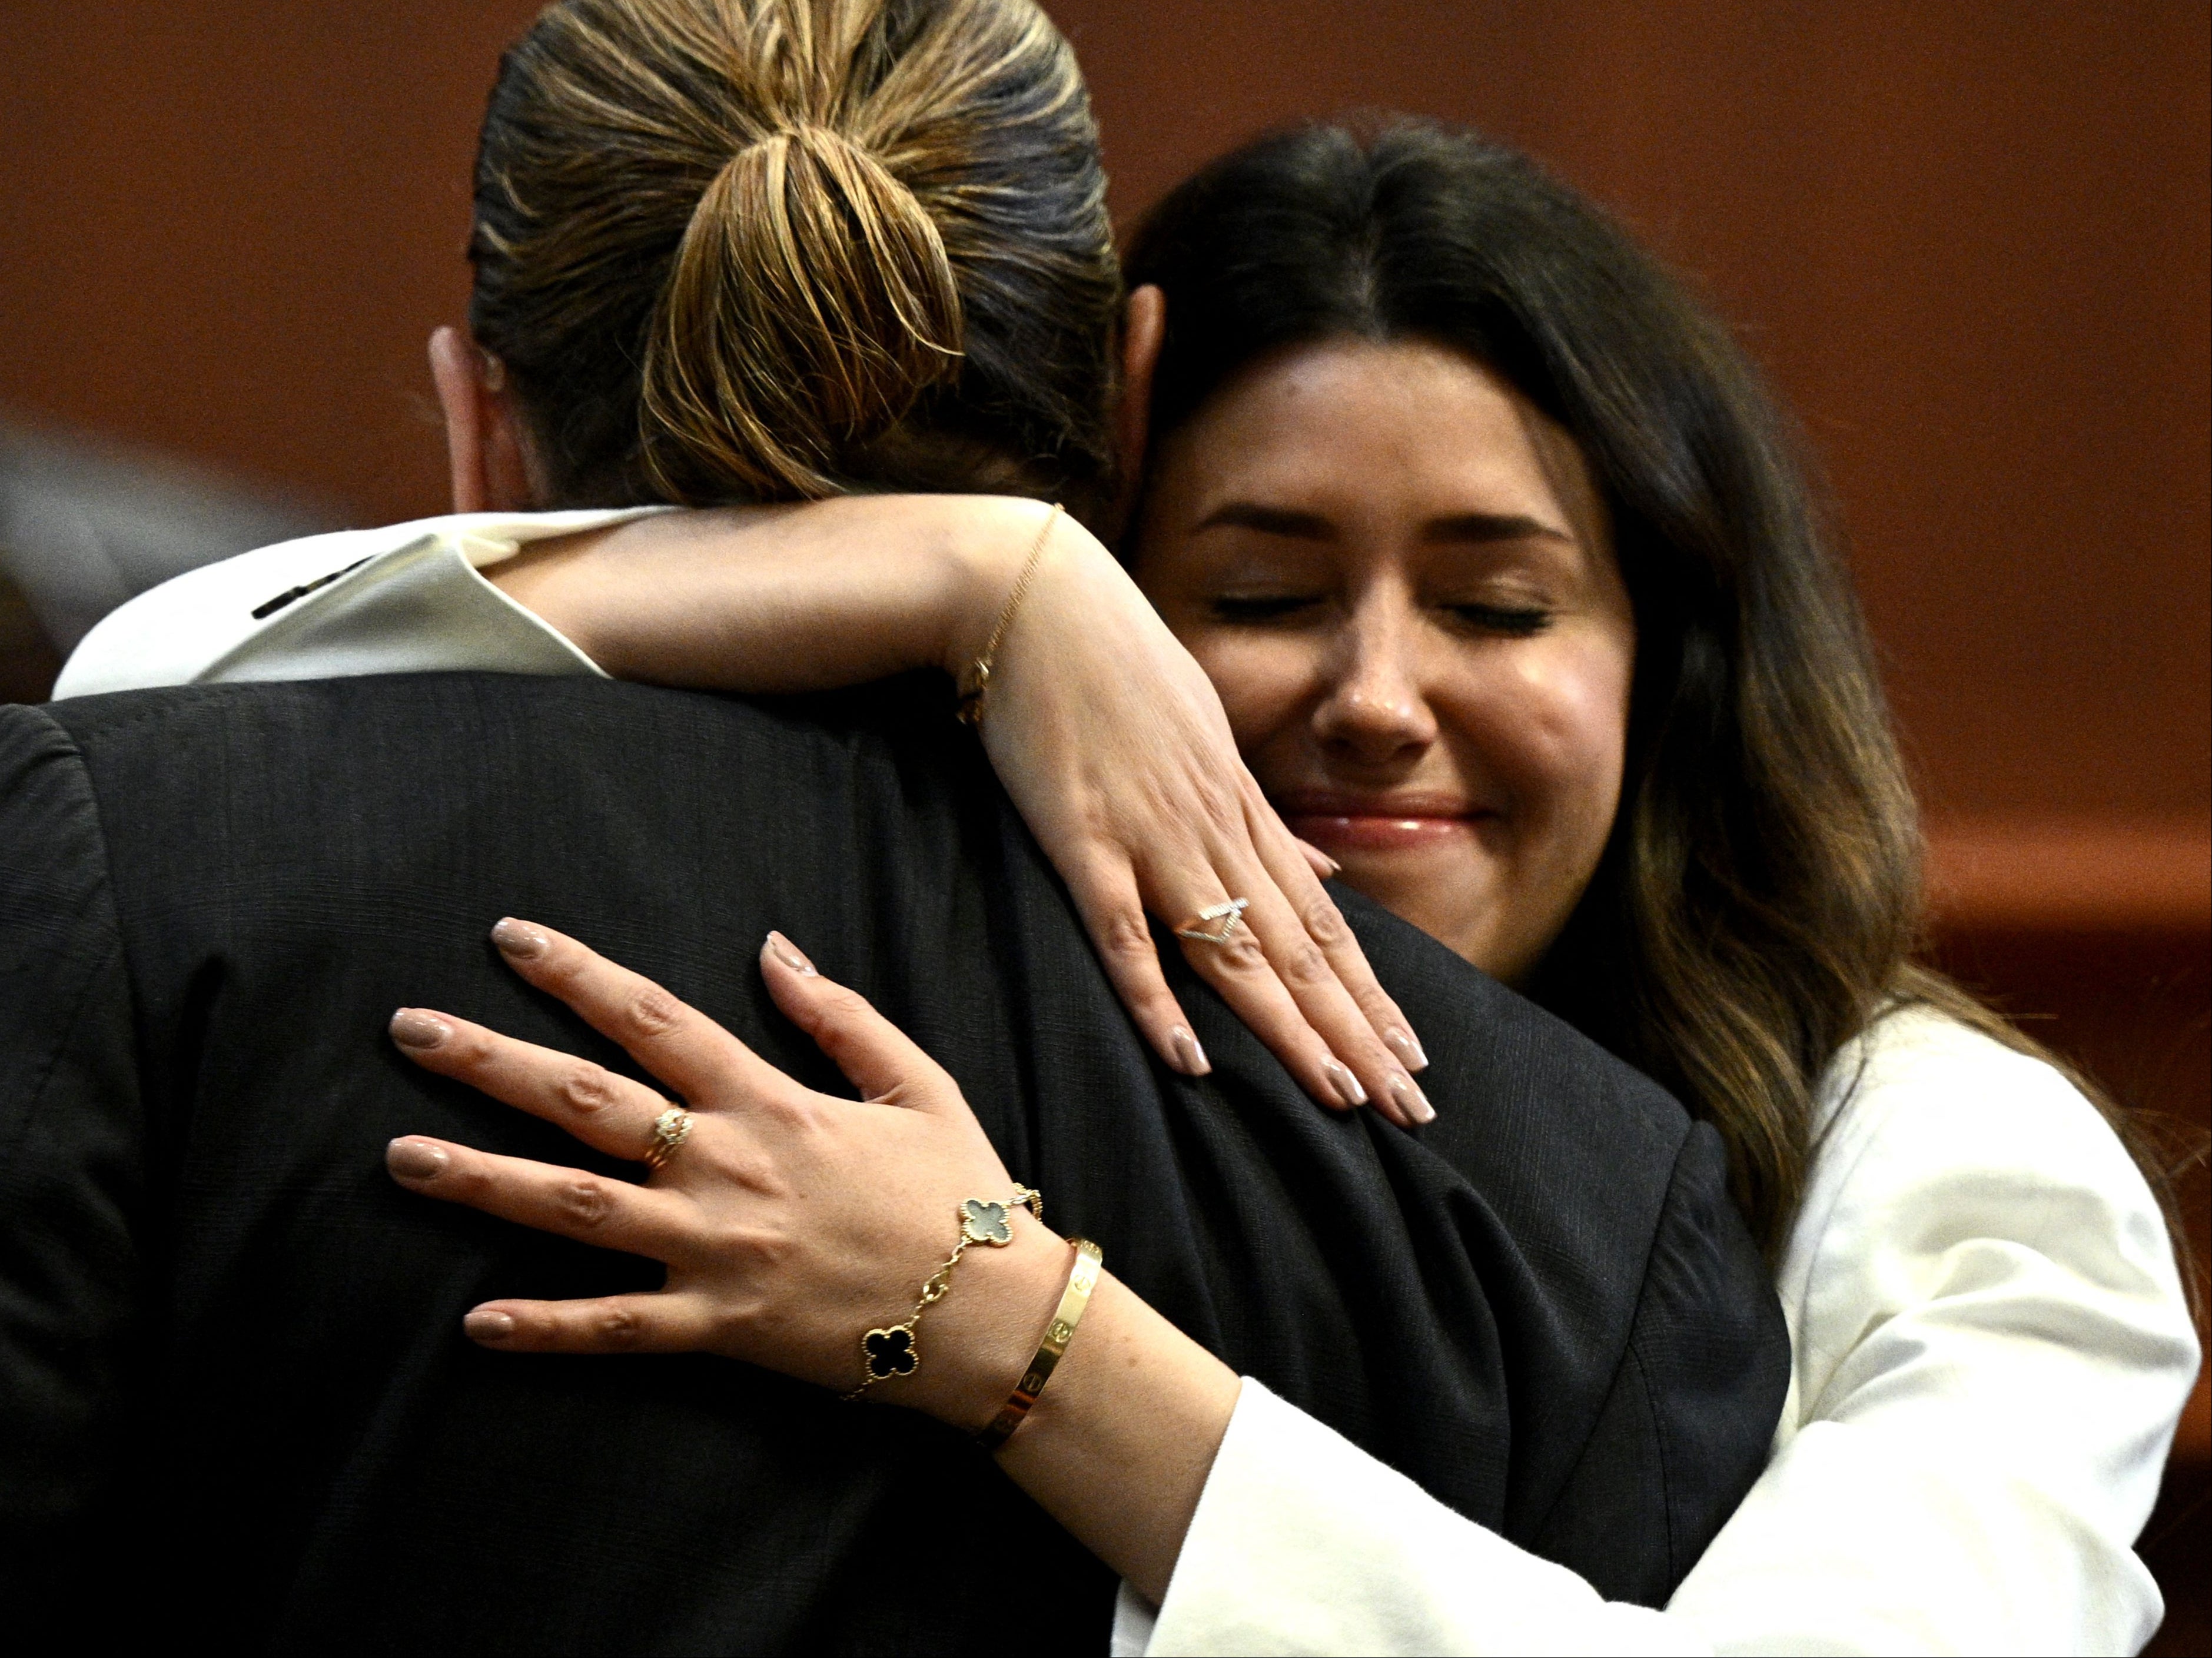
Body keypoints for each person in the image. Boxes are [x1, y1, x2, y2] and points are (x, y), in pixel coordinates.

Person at [73, 101, 2204, 1651]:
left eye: (1496, 604)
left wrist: (1011, 1329)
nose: (1374, 698)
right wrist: (960, 561)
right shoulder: (1028, 984)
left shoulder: (1941, 1154)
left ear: (1679, 659)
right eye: (1258, 591)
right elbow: (154, 698)